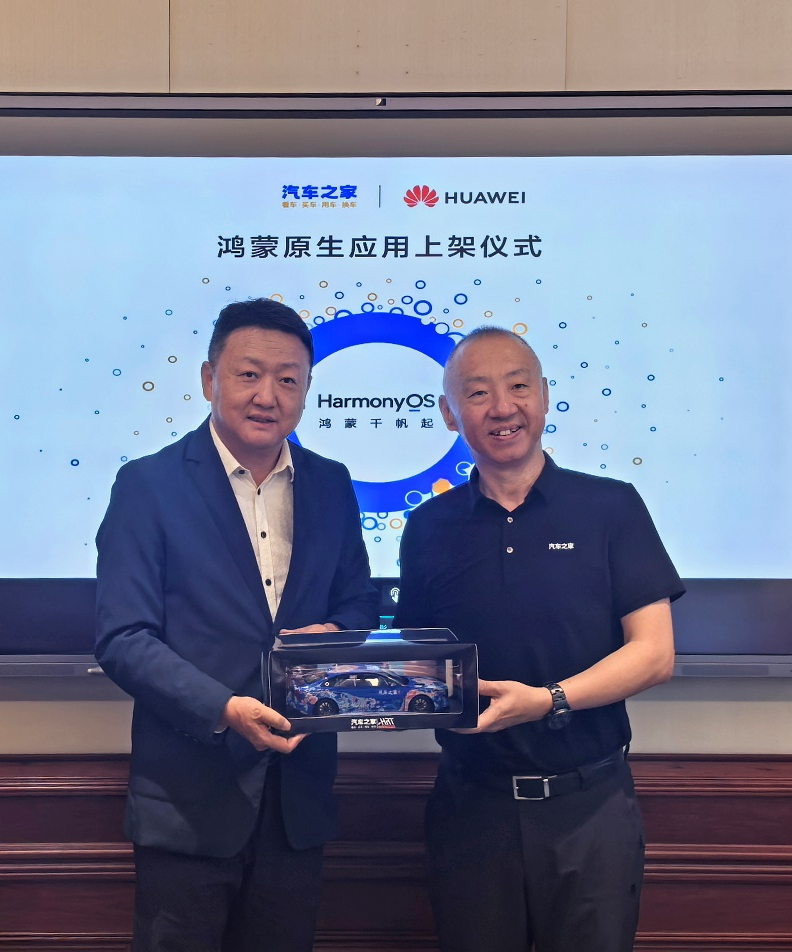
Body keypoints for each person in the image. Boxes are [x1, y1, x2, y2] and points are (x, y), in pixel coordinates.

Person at [95, 298, 378, 952]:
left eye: (288, 379)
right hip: (189, 802)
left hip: (297, 801)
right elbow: (123, 638)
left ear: (306, 389)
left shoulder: (331, 484)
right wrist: (223, 708)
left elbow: (360, 603)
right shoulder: (148, 485)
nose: (267, 396)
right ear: (208, 379)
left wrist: (336, 637)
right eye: (249, 374)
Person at [393, 326, 683, 952]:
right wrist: (327, 668)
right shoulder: (428, 527)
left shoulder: (610, 507)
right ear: (450, 414)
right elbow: (417, 664)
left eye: (518, 386)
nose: (503, 407)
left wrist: (549, 700)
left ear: (545, 396)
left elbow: (655, 653)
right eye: (477, 393)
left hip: (590, 808)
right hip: (471, 809)